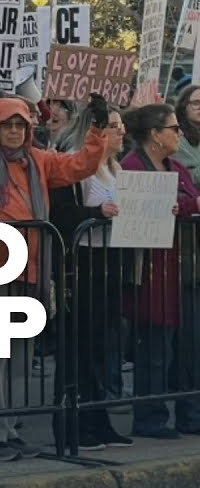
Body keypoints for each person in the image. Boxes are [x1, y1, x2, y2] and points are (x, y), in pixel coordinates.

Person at [0, 94, 108, 461]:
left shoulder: (39, 162)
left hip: (30, 271)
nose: (15, 131)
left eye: (20, 125)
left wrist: (96, 127)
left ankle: (9, 427)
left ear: (29, 129)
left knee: (20, 358)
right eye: (8, 124)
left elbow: (81, 165)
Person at [49, 103, 133, 450]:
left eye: (120, 126)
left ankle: (98, 420)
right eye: (113, 126)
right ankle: (72, 424)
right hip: (80, 264)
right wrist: (97, 212)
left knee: (100, 347)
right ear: (93, 130)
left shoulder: (114, 168)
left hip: (109, 262)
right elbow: (63, 214)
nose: (120, 132)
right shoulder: (71, 164)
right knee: (78, 348)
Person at [120, 103, 200, 439]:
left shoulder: (177, 167)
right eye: (173, 128)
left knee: (187, 348)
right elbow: (159, 207)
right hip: (152, 272)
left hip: (183, 270)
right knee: (154, 349)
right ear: (155, 134)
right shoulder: (134, 166)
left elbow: (190, 199)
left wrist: (185, 206)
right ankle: (150, 417)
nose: (179, 134)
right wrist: (186, 206)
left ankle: (190, 414)